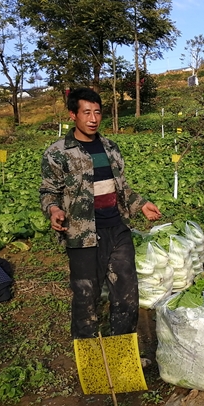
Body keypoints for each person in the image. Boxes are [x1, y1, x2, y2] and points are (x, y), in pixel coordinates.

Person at [39, 87, 162, 339]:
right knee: (86, 297)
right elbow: (48, 191)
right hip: (82, 235)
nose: (93, 118)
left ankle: (123, 351)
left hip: (117, 229)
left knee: (127, 294)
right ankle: (88, 353)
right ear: (73, 115)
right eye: (86, 112)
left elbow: (121, 188)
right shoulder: (57, 152)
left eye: (97, 112)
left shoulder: (111, 148)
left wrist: (141, 204)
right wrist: (53, 210)